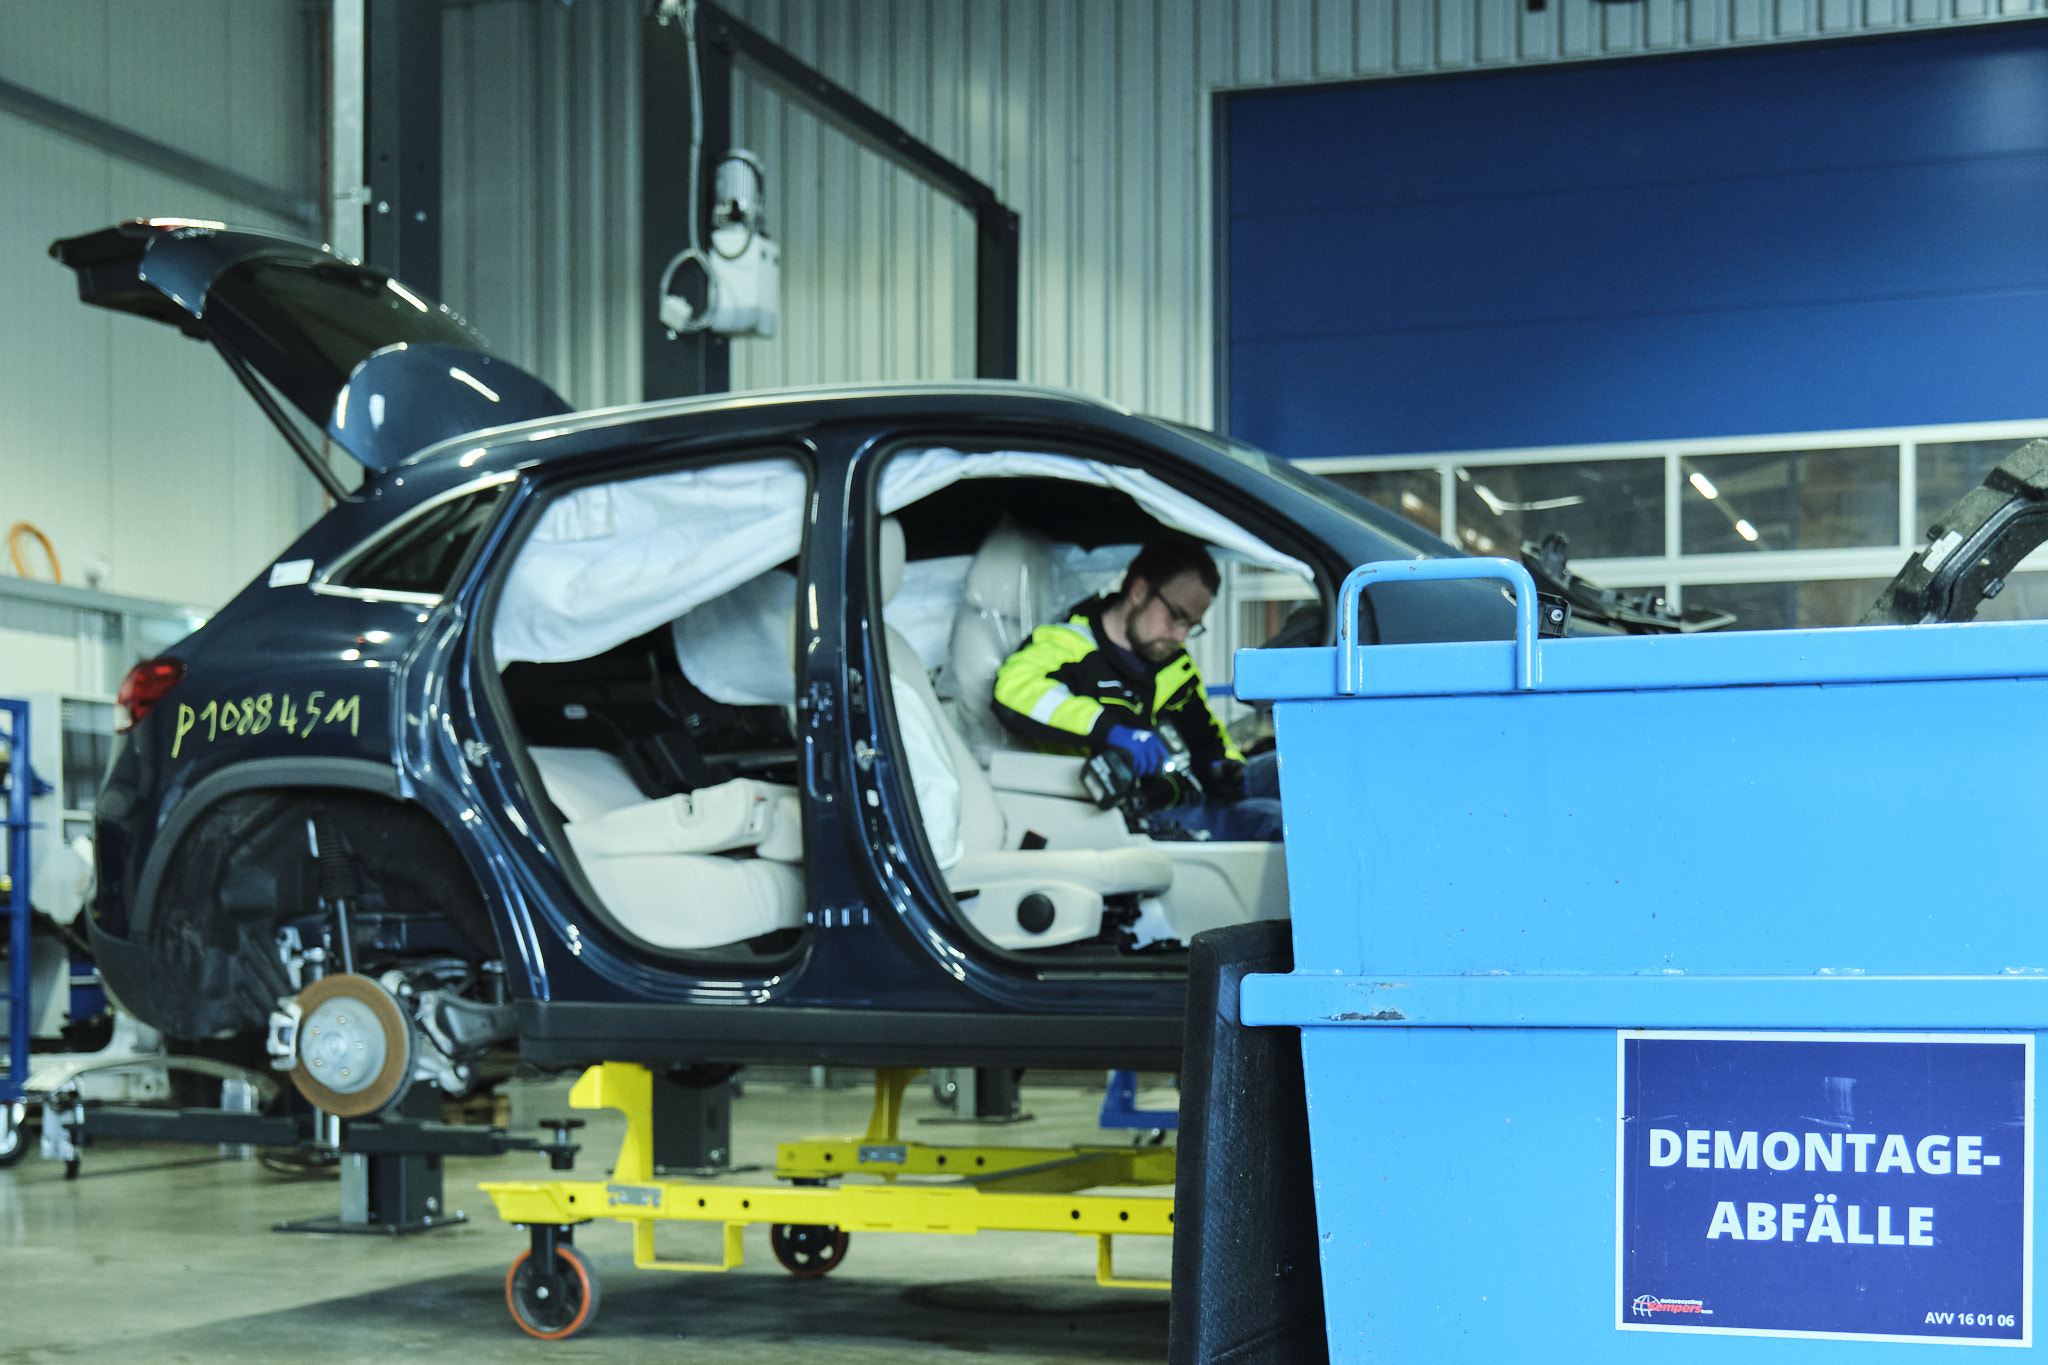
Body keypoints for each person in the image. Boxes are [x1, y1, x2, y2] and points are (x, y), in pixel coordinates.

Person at [989, 532, 1281, 842]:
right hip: (1139, 815)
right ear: (1139, 591)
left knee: (1291, 768)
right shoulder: (1068, 645)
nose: (1180, 636)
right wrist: (1110, 731)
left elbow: (1206, 736)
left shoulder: (1173, 663)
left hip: (1192, 790)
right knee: (1276, 821)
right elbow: (1014, 691)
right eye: (1176, 617)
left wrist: (1225, 768)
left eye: (1190, 626)